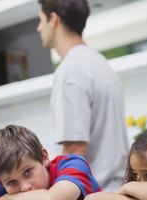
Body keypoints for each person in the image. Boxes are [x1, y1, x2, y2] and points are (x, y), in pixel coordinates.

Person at [36, 0, 129, 191]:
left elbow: (74, 151)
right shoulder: (99, 62)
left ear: (53, 19)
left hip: (94, 193)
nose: (38, 28)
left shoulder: (71, 69)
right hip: (114, 189)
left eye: (41, 20)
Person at [0, 125, 101, 200]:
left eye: (28, 172)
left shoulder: (72, 165)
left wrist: (6, 198)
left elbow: (51, 199)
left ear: (44, 157)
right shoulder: (8, 188)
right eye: (12, 182)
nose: (25, 187)